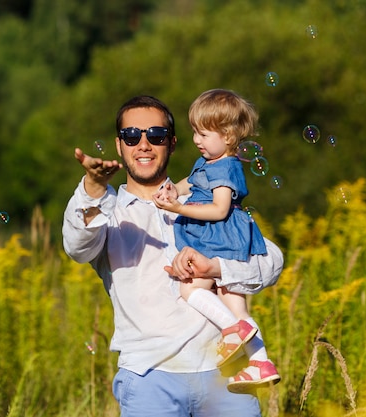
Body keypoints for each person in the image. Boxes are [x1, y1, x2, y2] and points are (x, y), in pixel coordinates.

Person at [62, 94, 284, 416]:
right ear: (119, 144)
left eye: (156, 135)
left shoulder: (207, 200)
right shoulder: (105, 212)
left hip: (225, 375)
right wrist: (94, 188)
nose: (143, 144)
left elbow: (271, 260)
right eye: (131, 135)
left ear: (173, 143)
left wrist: (215, 268)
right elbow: (77, 245)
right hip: (149, 377)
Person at [152, 89, 280, 393]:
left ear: (229, 135)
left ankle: (233, 330)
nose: (197, 139)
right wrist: (173, 190)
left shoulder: (227, 166)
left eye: (205, 133)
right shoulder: (205, 162)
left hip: (220, 236)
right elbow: (189, 183)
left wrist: (179, 208)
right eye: (195, 131)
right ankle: (260, 362)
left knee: (191, 289)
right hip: (218, 238)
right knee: (234, 302)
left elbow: (220, 208)